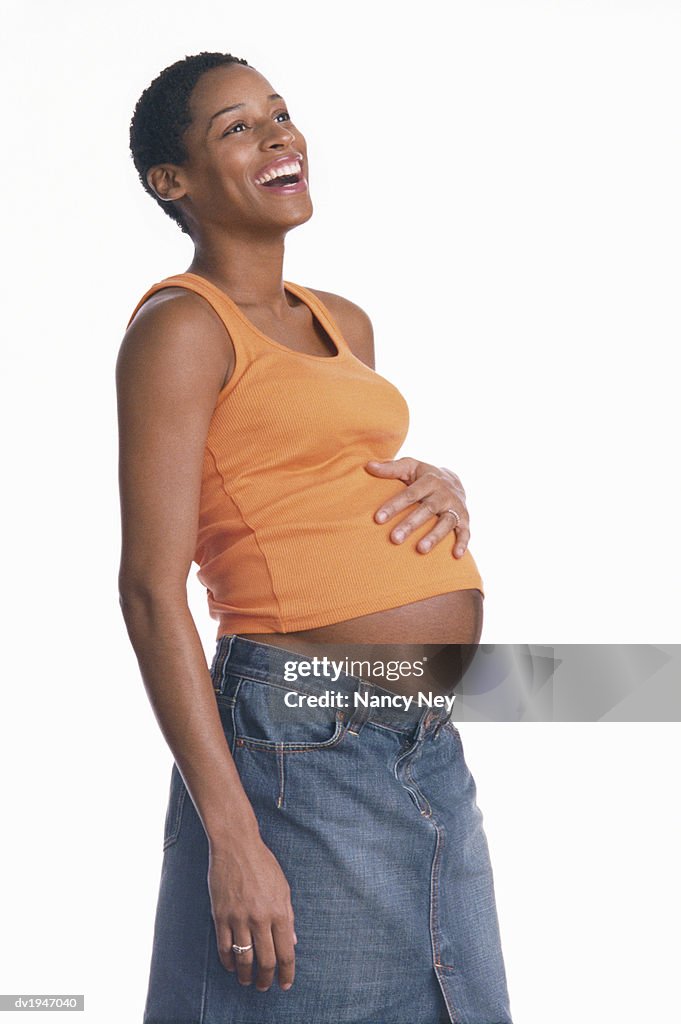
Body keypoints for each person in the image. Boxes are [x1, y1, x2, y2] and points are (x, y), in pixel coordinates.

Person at [117, 51, 513, 1024]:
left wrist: (443, 485)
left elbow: (331, 470)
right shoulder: (181, 326)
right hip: (299, 739)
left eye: (281, 114)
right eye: (237, 127)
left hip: (419, 738)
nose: (279, 134)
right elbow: (148, 588)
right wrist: (231, 834)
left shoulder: (345, 322)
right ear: (175, 182)